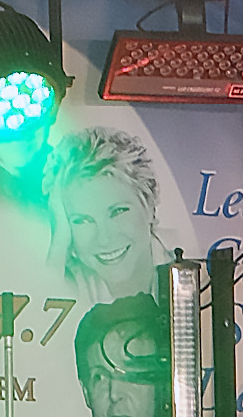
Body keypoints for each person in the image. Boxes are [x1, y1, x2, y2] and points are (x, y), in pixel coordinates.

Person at [44, 128, 169, 303]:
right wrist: (59, 244)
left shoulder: (198, 274)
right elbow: (40, 311)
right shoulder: (65, 280)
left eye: (118, 212)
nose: (104, 238)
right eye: (82, 220)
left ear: (148, 204)